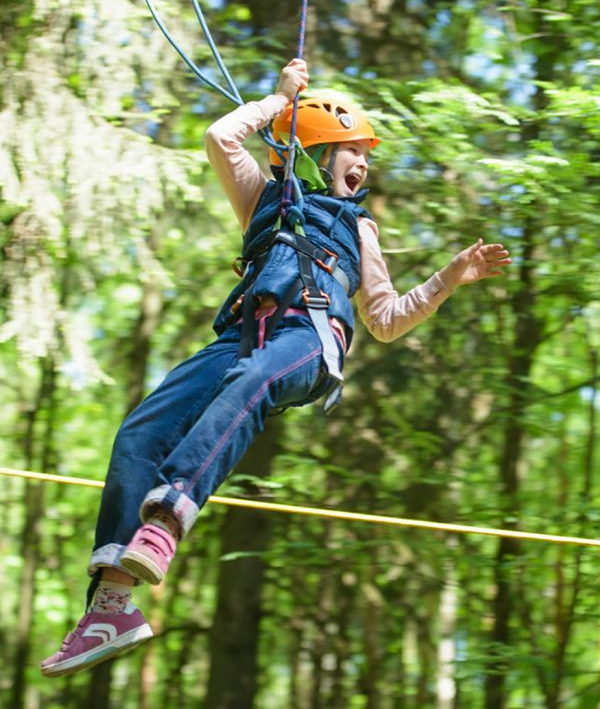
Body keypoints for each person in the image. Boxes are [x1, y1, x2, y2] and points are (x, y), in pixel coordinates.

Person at [40, 58, 512, 678]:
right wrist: (277, 99)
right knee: (140, 432)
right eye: (351, 149)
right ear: (315, 148)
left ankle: (167, 519)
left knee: (251, 381)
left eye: (365, 153)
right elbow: (221, 137)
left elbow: (387, 318)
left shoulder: (360, 228)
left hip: (310, 338)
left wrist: (450, 278)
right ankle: (109, 607)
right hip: (243, 336)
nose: (364, 162)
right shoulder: (262, 195)